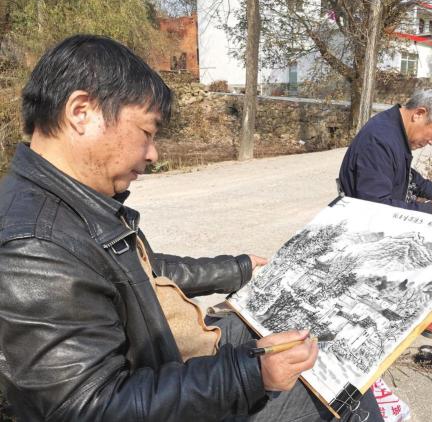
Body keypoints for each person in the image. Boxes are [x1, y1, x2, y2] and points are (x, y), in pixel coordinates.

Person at [0, 35, 381, 422]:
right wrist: (250, 375)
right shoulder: (35, 246)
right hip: (153, 387)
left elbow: (141, 273)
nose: (153, 153)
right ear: (81, 112)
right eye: (147, 132)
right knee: (341, 396)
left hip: (160, 354)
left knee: (296, 330)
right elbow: (89, 409)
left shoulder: (73, 201)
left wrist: (238, 268)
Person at [338, 88, 432, 343]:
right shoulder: (380, 139)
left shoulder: (394, 130)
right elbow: (376, 207)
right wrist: (429, 210)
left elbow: (403, 172)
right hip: (371, 229)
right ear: (420, 114)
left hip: (385, 217)